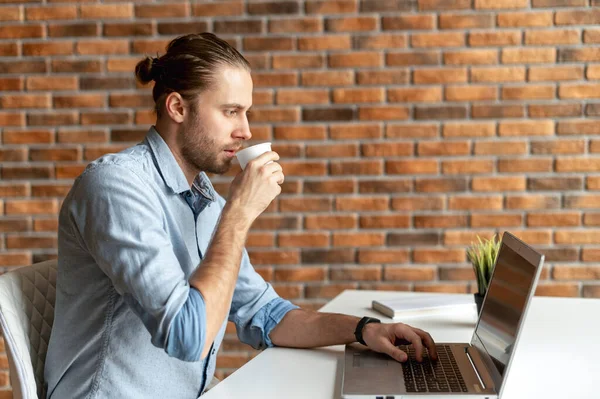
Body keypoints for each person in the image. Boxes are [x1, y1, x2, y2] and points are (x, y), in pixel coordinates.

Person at [44, 32, 437, 399]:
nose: (245, 131)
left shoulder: (206, 202)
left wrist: (363, 330)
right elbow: (188, 337)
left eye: (246, 112)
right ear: (178, 107)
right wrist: (239, 212)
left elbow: (265, 314)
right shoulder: (117, 188)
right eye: (231, 111)